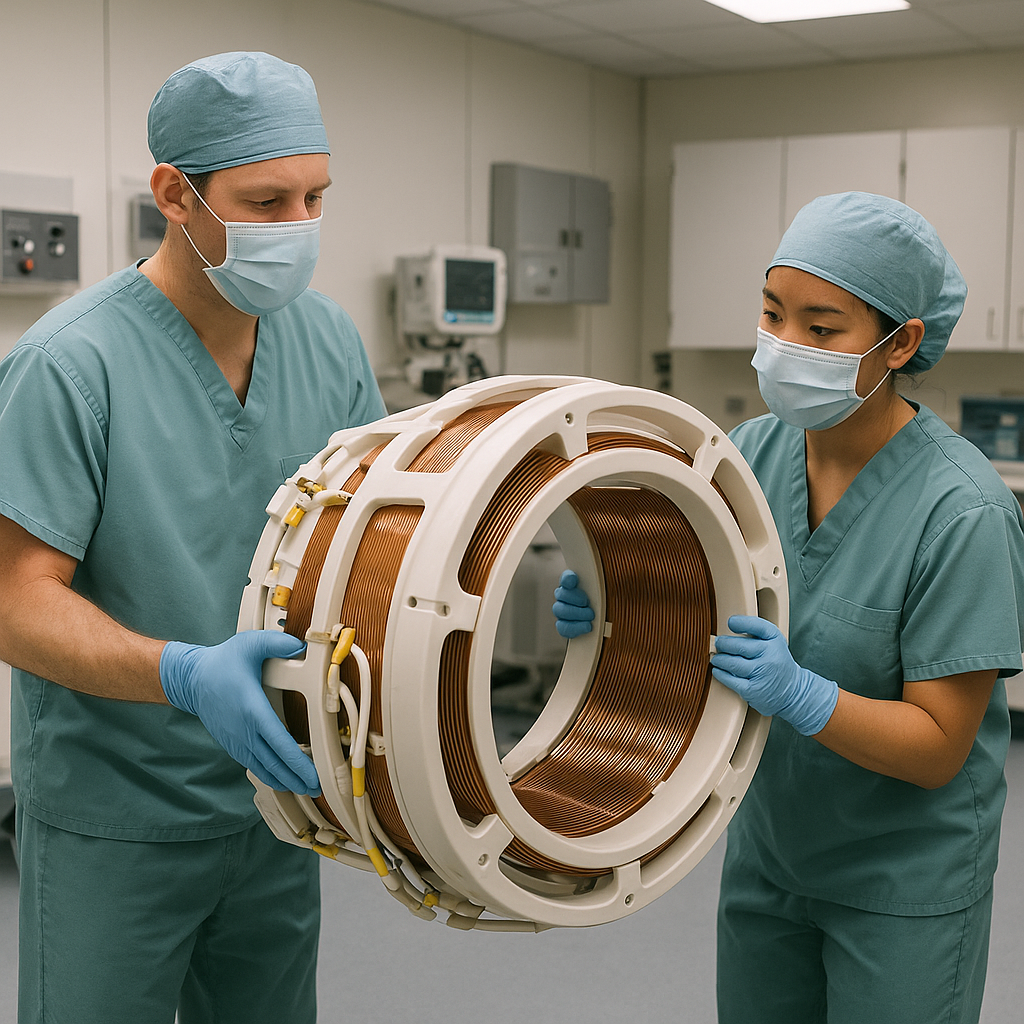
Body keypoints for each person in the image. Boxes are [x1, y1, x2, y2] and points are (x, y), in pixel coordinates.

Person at [555, 192, 1024, 1023]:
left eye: (821, 328)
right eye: (773, 314)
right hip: (771, 856)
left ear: (900, 343)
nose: (785, 346)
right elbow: (702, 615)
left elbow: (939, 749)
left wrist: (804, 696)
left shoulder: (964, 513)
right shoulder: (752, 454)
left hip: (901, 884)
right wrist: (616, 604)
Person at [0, 52, 386, 1023]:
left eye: (315, 197)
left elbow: (372, 540)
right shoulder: (69, 364)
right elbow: (14, 600)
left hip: (278, 800)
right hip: (116, 816)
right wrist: (183, 672)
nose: (298, 229)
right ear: (174, 192)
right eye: (265, 202)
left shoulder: (327, 340)